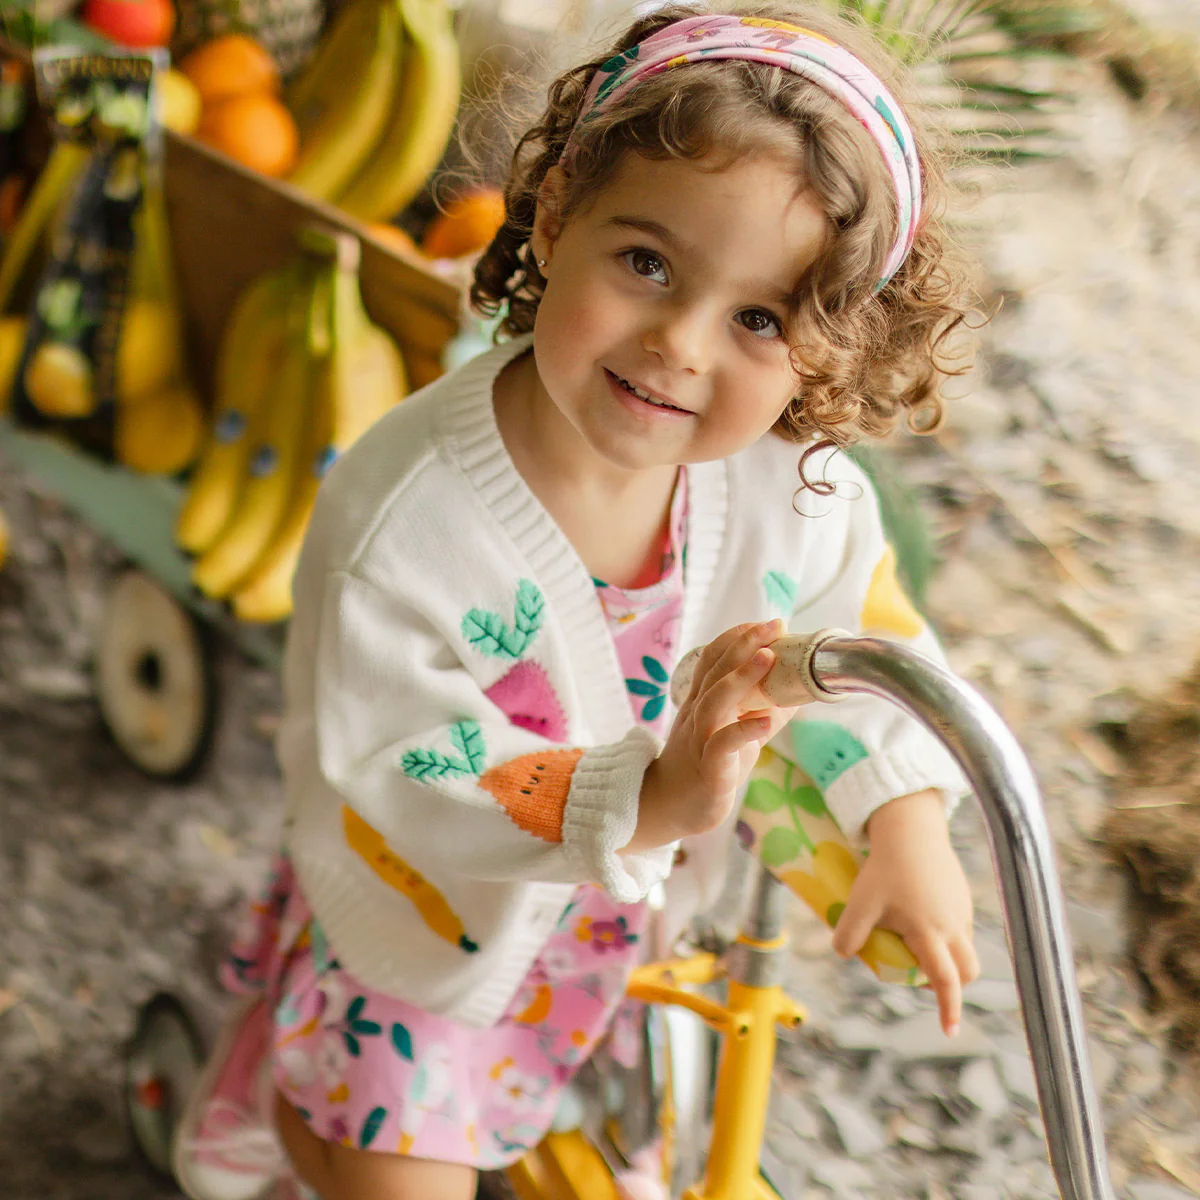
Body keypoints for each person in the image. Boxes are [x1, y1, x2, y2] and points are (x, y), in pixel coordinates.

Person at [174, 3, 982, 1197]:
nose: (682, 345)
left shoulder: (794, 496)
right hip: (438, 926)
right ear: (555, 217)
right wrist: (646, 794)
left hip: (627, 931)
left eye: (759, 318)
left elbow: (860, 639)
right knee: (391, 1170)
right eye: (648, 264)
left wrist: (902, 813)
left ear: (831, 346)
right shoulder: (407, 517)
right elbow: (411, 759)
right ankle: (298, 1120)